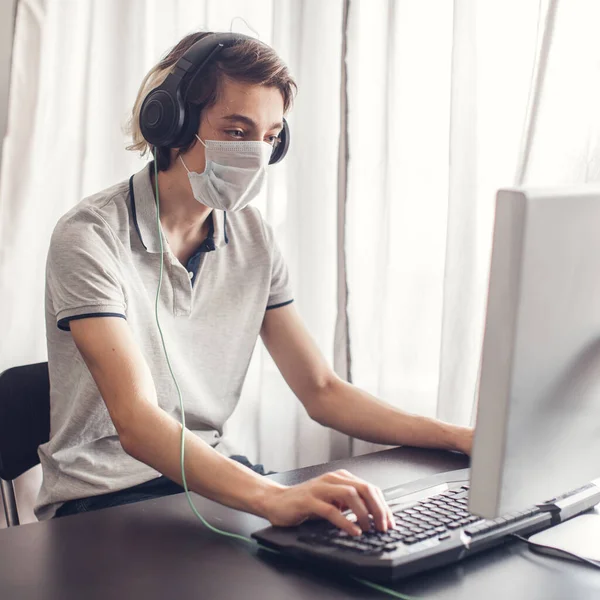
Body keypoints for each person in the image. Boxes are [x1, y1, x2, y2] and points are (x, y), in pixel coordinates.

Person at [35, 32, 472, 536]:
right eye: (236, 131)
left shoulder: (254, 236)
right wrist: (271, 497)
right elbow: (135, 420)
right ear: (170, 123)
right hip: (102, 504)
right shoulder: (88, 236)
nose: (256, 154)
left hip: (212, 483)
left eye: (270, 137)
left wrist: (457, 437)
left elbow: (321, 389)